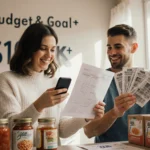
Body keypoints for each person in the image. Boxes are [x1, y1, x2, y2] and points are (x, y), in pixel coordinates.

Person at [0, 23, 105, 147]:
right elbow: (10, 127)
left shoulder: (54, 82)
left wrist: (86, 117)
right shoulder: (7, 80)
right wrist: (39, 105)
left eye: (53, 49)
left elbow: (62, 130)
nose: (49, 55)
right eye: (43, 48)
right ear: (29, 49)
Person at [84, 24, 150, 143]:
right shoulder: (96, 81)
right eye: (109, 47)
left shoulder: (147, 81)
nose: (112, 52)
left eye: (118, 47)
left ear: (134, 48)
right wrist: (114, 113)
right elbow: (89, 131)